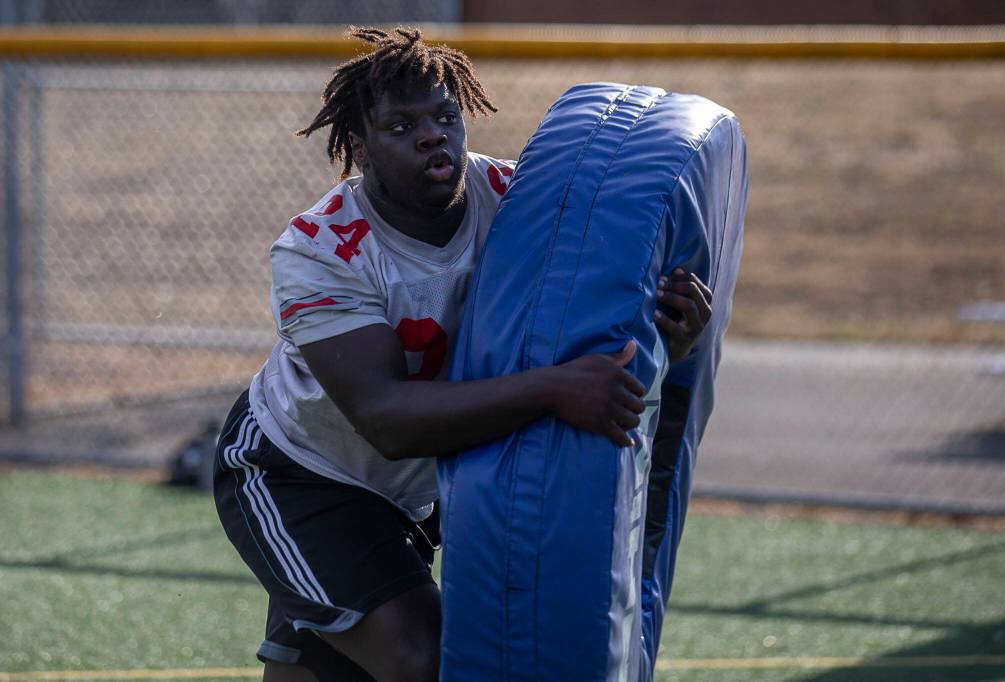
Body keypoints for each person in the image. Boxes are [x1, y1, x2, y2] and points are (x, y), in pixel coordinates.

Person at [213, 26, 712, 682]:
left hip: (418, 486)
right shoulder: (318, 250)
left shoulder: (517, 203)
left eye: (445, 116)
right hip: (301, 474)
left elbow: (587, 329)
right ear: (358, 150)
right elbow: (386, 418)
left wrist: (668, 333)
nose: (432, 135)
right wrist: (553, 388)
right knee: (423, 658)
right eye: (401, 126)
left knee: (325, 670)